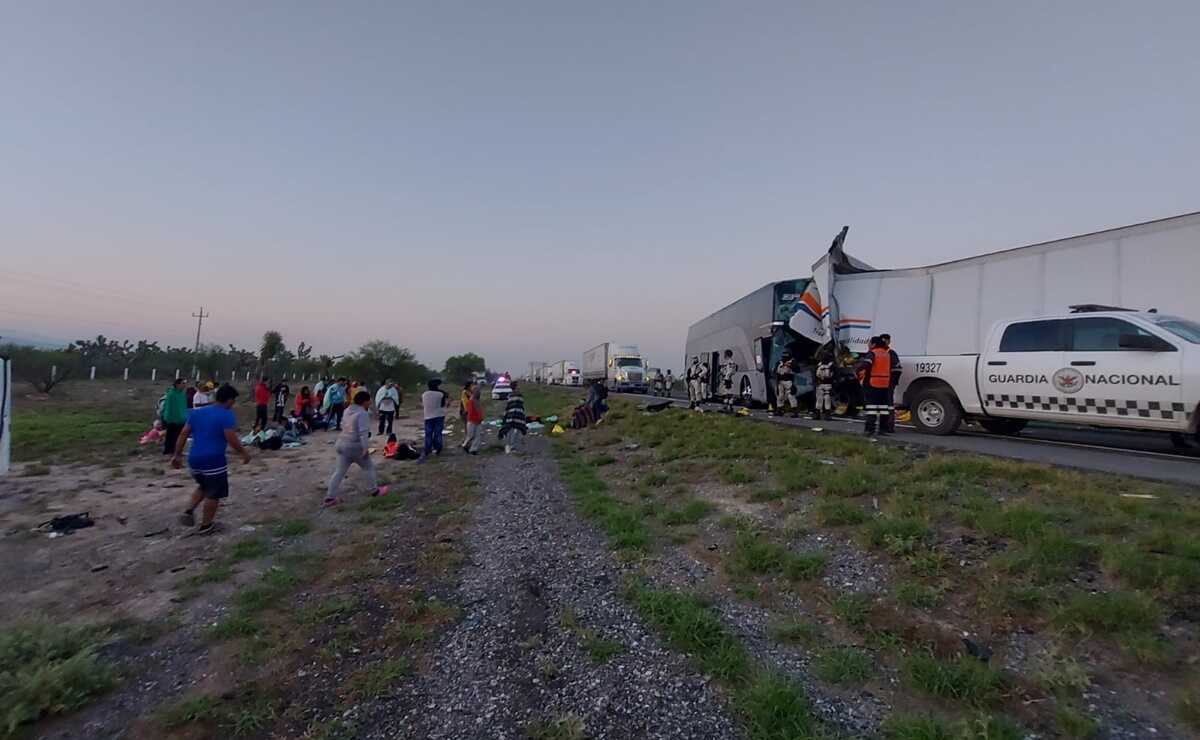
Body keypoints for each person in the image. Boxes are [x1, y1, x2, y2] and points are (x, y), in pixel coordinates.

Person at [171, 384, 252, 534]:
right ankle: (206, 526)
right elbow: (231, 438)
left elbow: (183, 434)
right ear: (229, 400)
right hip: (213, 459)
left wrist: (176, 455)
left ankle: (188, 510)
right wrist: (243, 453)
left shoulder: (197, 413)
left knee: (204, 486)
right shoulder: (226, 415)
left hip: (194, 459)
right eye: (233, 400)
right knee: (214, 493)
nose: (233, 404)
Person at [323, 390, 388, 507]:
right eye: (369, 401)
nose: (370, 403)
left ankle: (330, 497)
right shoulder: (362, 413)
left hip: (342, 444)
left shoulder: (347, 410)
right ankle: (374, 491)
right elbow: (363, 433)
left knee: (339, 472)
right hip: (355, 446)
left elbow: (344, 426)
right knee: (368, 467)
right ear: (365, 402)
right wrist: (365, 448)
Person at [856, 337, 893, 437]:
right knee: (883, 408)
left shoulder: (873, 353)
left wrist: (857, 370)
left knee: (871, 408)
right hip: (885, 384)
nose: (868, 345)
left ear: (874, 344)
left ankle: (869, 430)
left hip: (873, 383)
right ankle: (883, 429)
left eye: (869, 343)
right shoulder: (887, 354)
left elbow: (866, 364)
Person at [419, 378, 448, 461]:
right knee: (438, 433)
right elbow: (442, 404)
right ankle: (438, 448)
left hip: (428, 416)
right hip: (439, 415)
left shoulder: (424, 394)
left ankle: (427, 448)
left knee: (428, 433)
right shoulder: (440, 394)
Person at [880, 333, 902, 434]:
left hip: (887, 383)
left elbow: (897, 370)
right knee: (885, 405)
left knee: (887, 404)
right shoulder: (883, 352)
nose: (885, 342)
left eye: (886, 340)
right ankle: (885, 426)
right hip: (883, 382)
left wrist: (892, 382)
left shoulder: (890, 353)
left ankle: (888, 426)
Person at [161, 377, 189, 456]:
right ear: (177, 384)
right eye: (183, 383)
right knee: (171, 435)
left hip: (182, 419)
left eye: (185, 384)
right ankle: (168, 450)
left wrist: (185, 416)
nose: (184, 385)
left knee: (179, 436)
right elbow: (168, 407)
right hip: (172, 419)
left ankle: (177, 450)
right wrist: (167, 418)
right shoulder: (171, 394)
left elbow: (184, 406)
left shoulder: (183, 394)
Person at [499, 382, 527, 454]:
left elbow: (508, 406)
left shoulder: (510, 395)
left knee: (510, 430)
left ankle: (509, 446)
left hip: (511, 415)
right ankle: (511, 446)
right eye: (518, 386)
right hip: (517, 415)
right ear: (515, 387)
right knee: (515, 431)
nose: (519, 387)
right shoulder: (519, 395)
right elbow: (520, 404)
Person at [463, 383, 484, 454]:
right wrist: (477, 419)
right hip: (473, 421)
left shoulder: (475, 400)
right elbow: (471, 412)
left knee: (477, 436)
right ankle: (466, 445)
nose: (479, 393)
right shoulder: (472, 401)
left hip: (476, 420)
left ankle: (473, 449)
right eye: (477, 391)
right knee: (472, 435)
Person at [813, 355, 835, 420]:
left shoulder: (819, 365)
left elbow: (815, 375)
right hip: (827, 384)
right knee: (827, 400)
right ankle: (827, 415)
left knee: (819, 400)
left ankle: (817, 415)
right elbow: (834, 375)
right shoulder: (831, 365)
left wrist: (816, 383)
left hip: (820, 384)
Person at [458, 381, 474, 450]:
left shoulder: (470, 393)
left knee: (470, 429)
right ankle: (466, 444)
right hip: (466, 413)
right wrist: (467, 412)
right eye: (472, 385)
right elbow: (465, 403)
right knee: (468, 429)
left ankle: (467, 443)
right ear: (469, 386)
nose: (473, 387)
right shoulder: (464, 393)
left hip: (470, 412)